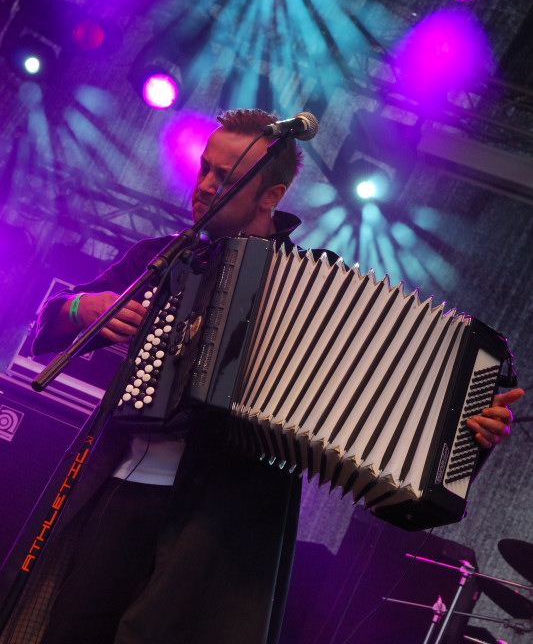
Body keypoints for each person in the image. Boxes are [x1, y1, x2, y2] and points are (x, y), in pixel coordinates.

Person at [0, 109, 523, 644]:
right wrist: (79, 310)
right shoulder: (159, 257)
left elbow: (392, 391)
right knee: (69, 629)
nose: (203, 186)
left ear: (270, 197)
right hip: (118, 489)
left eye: (224, 179)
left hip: (223, 524)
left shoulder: (321, 286)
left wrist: (467, 432)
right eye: (204, 168)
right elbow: (49, 326)